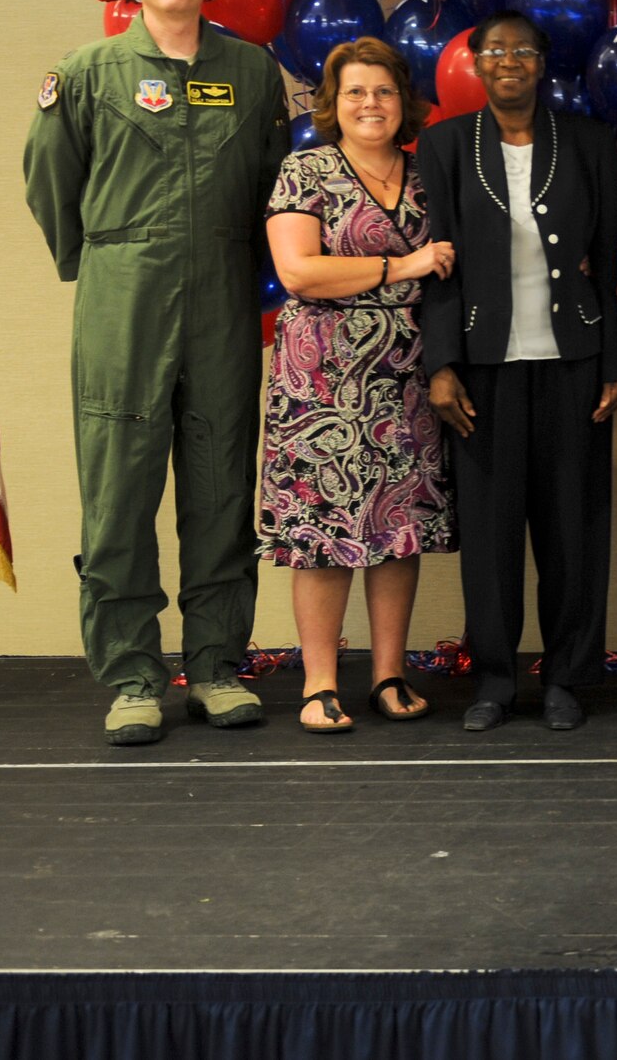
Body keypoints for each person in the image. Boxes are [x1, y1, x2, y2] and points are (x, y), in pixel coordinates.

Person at [24, 0, 288, 746]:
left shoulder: (252, 73)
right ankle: (133, 675)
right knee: (119, 491)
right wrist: (103, 264)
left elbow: (274, 188)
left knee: (220, 488)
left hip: (221, 300)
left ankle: (215, 667)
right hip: (123, 300)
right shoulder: (87, 72)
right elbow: (49, 182)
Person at [421, 11, 617, 733]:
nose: (509, 61)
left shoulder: (588, 142)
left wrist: (615, 362)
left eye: (523, 50)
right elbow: (439, 264)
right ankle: (495, 681)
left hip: (574, 362)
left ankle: (567, 677)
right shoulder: (447, 144)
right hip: (483, 368)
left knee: (573, 530)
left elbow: (612, 257)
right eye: (495, 50)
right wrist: (442, 363)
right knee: (490, 535)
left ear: (542, 63)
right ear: (476, 63)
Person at [261, 37, 456, 733]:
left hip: (409, 376)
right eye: (355, 92)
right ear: (333, 104)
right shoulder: (307, 169)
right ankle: (319, 683)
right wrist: (401, 267)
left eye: (383, 91)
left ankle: (388, 675)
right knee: (322, 529)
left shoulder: (428, 171)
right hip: (320, 379)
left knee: (398, 527)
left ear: (404, 102)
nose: (370, 103)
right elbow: (299, 271)